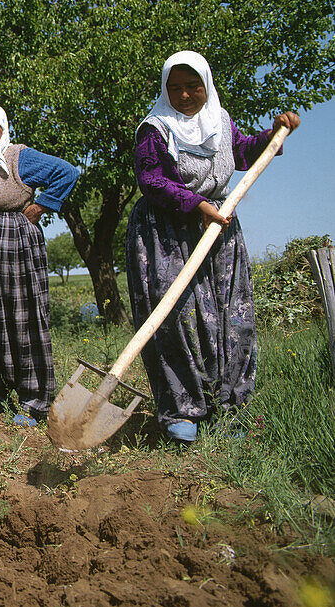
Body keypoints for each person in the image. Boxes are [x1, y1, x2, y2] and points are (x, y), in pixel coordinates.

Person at [126, 50, 300, 443]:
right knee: (176, 317)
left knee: (229, 316)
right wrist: (197, 204)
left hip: (218, 225)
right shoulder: (155, 128)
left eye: (192, 87)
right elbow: (152, 180)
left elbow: (241, 153)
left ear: (206, 86)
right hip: (167, 230)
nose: (184, 95)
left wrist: (273, 135)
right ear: (165, 90)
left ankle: (229, 407)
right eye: (175, 88)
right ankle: (180, 410)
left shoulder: (220, 121)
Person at [0, 103, 79, 426]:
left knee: (22, 319)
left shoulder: (18, 156)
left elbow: (67, 172)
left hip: (13, 249)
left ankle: (32, 402)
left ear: (4, 127)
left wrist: (40, 207)